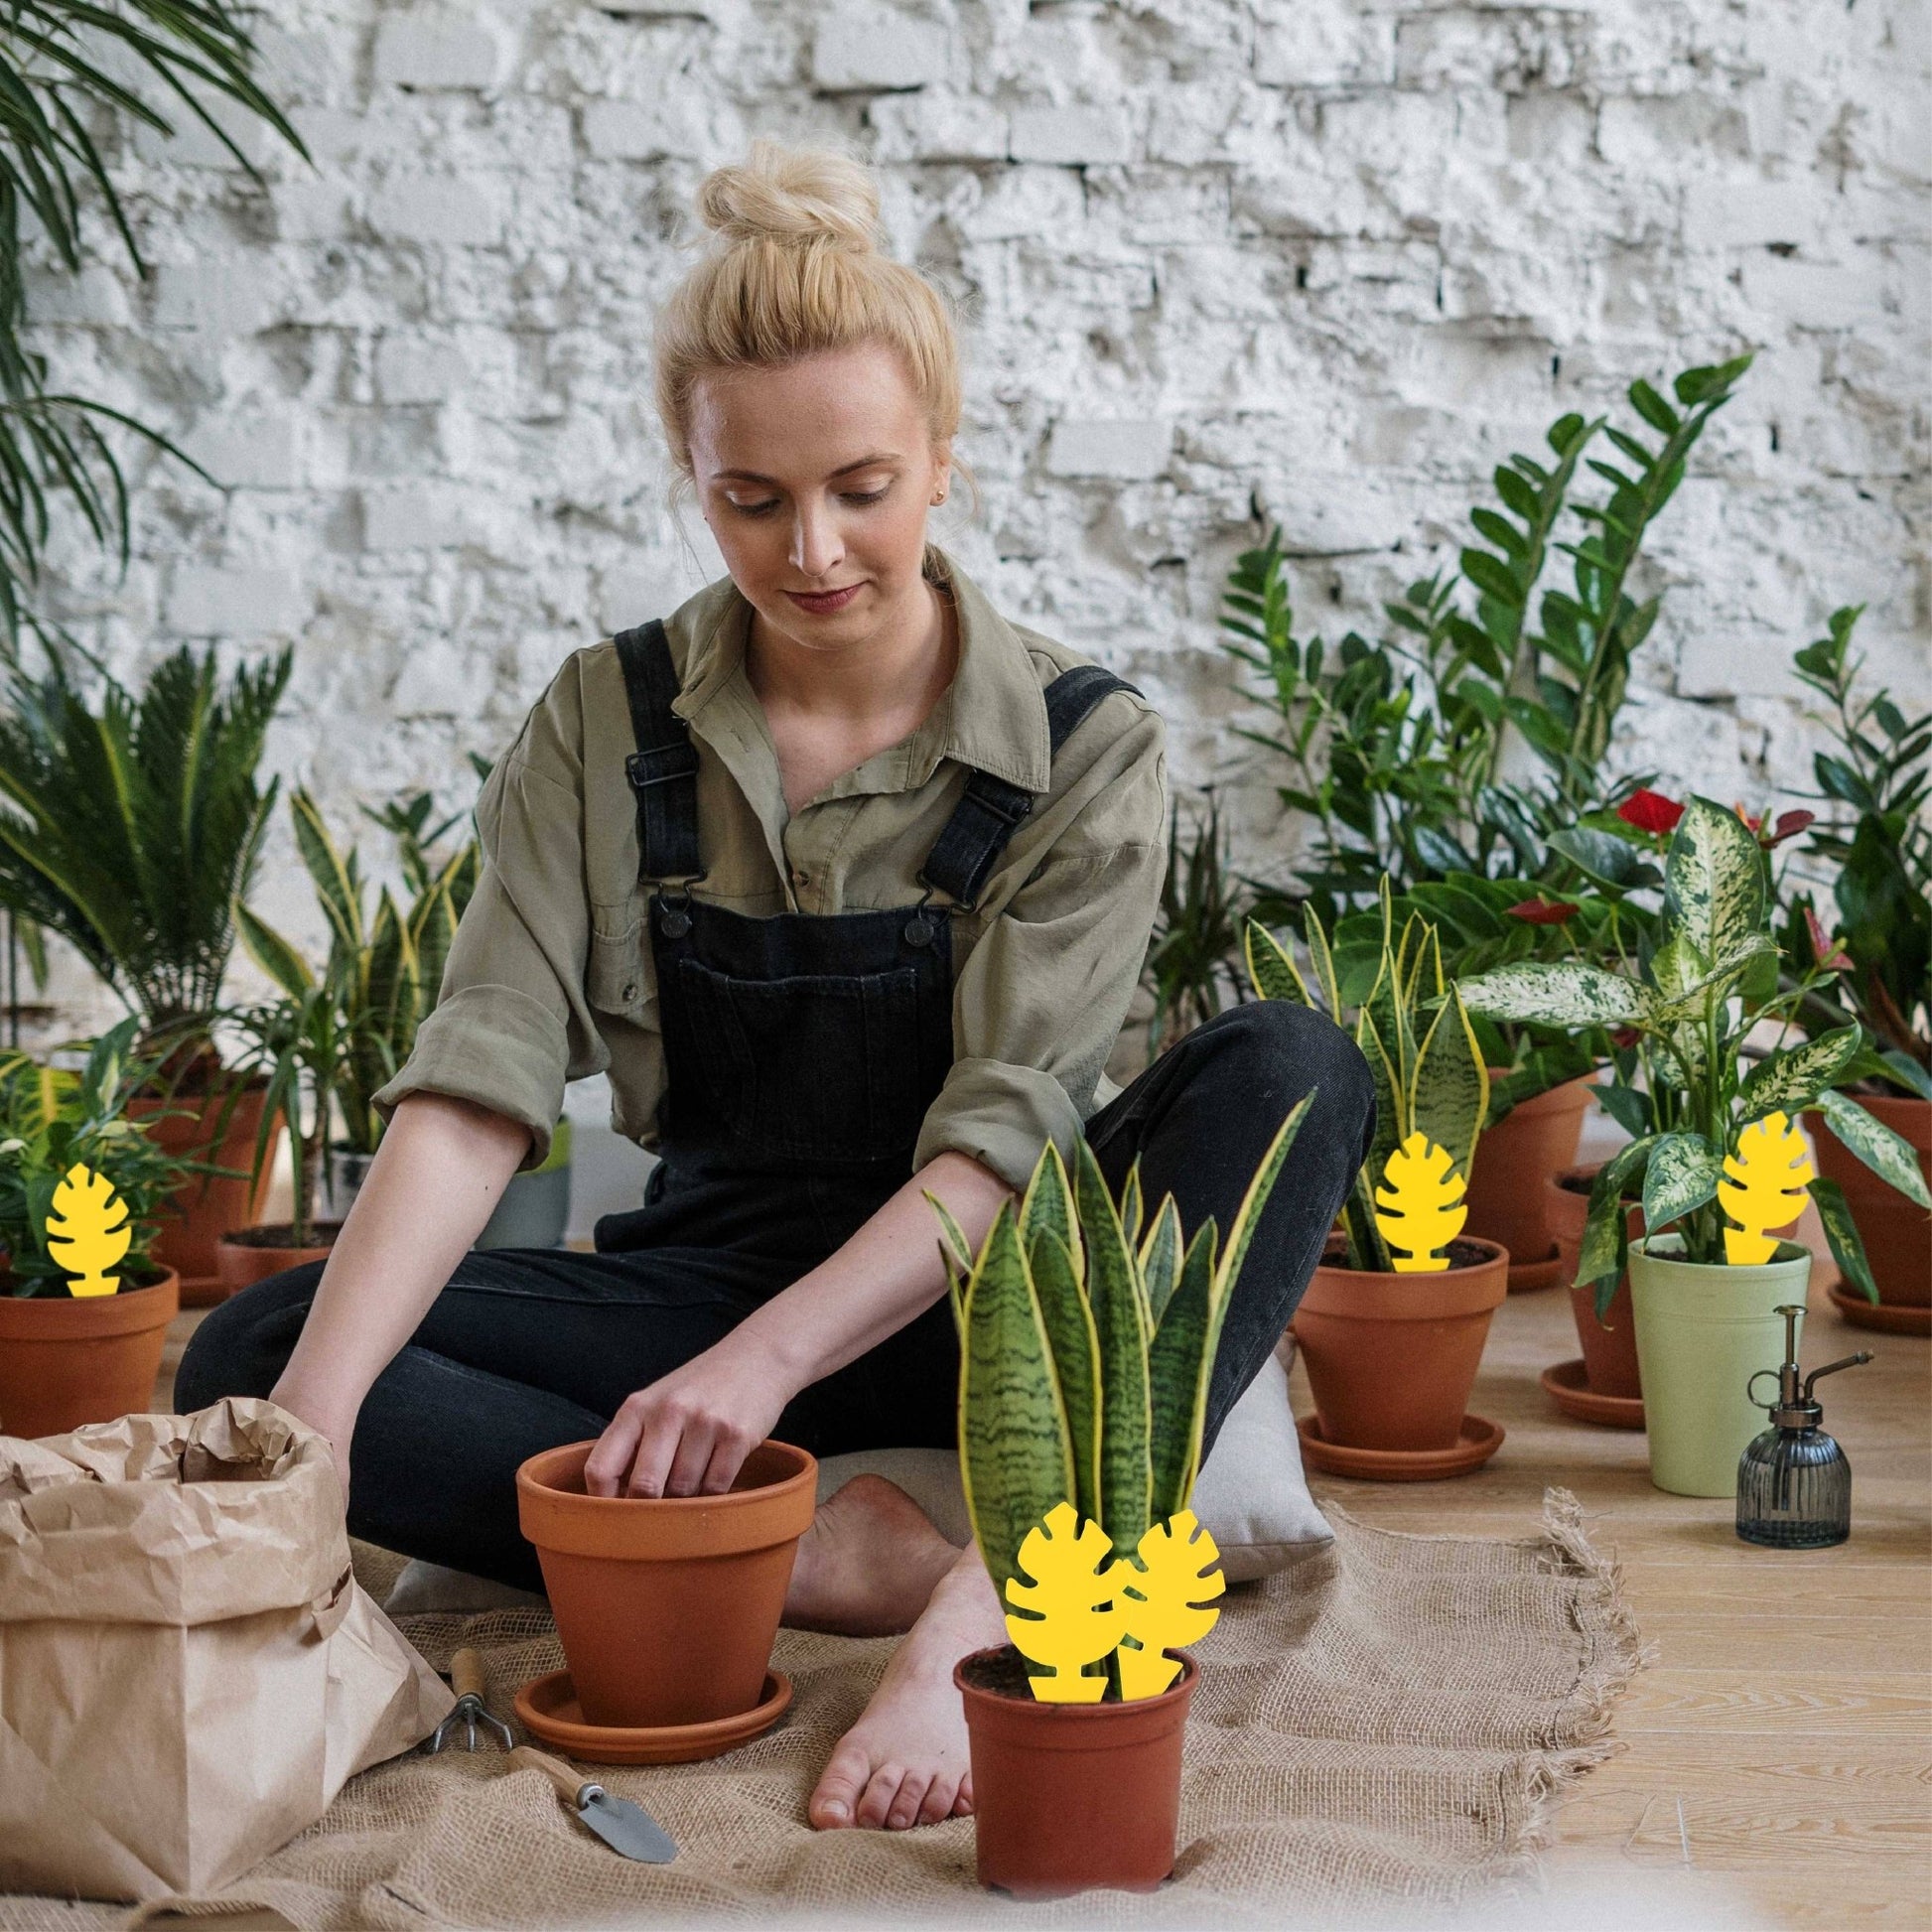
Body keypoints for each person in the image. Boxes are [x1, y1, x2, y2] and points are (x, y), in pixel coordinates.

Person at [179, 140, 1374, 1835]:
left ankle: (1006, 1585)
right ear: (691, 472)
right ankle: (820, 1552)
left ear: (943, 463)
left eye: (863, 487)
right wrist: (304, 1444)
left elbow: (999, 1148)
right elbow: (474, 1091)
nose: (812, 549)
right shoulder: (605, 722)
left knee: (1296, 1060)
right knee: (259, 1346)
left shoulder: (1084, 749)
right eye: (753, 499)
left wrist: (751, 1374)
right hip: (709, 1271)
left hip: (1002, 1294)